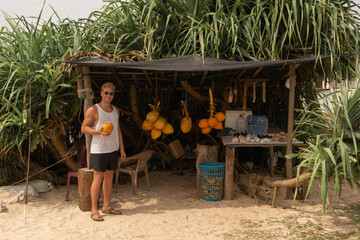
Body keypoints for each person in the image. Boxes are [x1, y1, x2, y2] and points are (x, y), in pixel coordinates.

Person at [81, 82, 126, 221]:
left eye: (111, 93)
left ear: (113, 95)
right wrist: (98, 132)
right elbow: (84, 128)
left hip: (112, 149)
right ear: (101, 93)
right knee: (97, 178)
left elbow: (118, 130)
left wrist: (122, 149)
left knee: (109, 178)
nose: (108, 95)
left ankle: (106, 206)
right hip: (99, 150)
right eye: (106, 93)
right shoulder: (94, 110)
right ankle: (94, 210)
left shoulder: (115, 110)